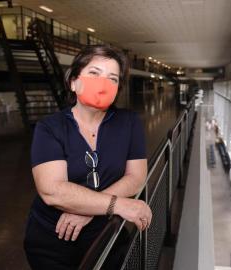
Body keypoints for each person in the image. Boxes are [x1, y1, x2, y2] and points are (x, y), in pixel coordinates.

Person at [24, 45, 152, 269]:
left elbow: (136, 177)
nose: (104, 83)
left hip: (105, 233)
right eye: (94, 73)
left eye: (112, 78)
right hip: (54, 238)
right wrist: (116, 205)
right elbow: (52, 190)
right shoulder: (50, 128)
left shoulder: (129, 122)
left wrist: (88, 210)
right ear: (74, 81)